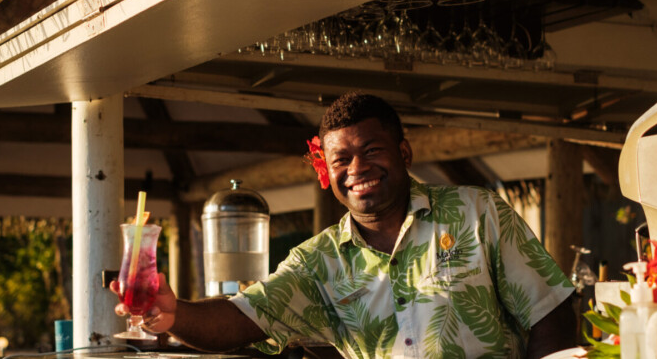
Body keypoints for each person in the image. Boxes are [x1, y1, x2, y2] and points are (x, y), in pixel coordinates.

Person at [112, 92, 575, 358]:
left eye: (372, 151)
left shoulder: (478, 213)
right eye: (342, 159)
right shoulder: (318, 261)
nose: (357, 169)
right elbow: (242, 317)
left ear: (404, 153)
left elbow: (550, 314)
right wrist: (175, 315)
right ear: (327, 170)